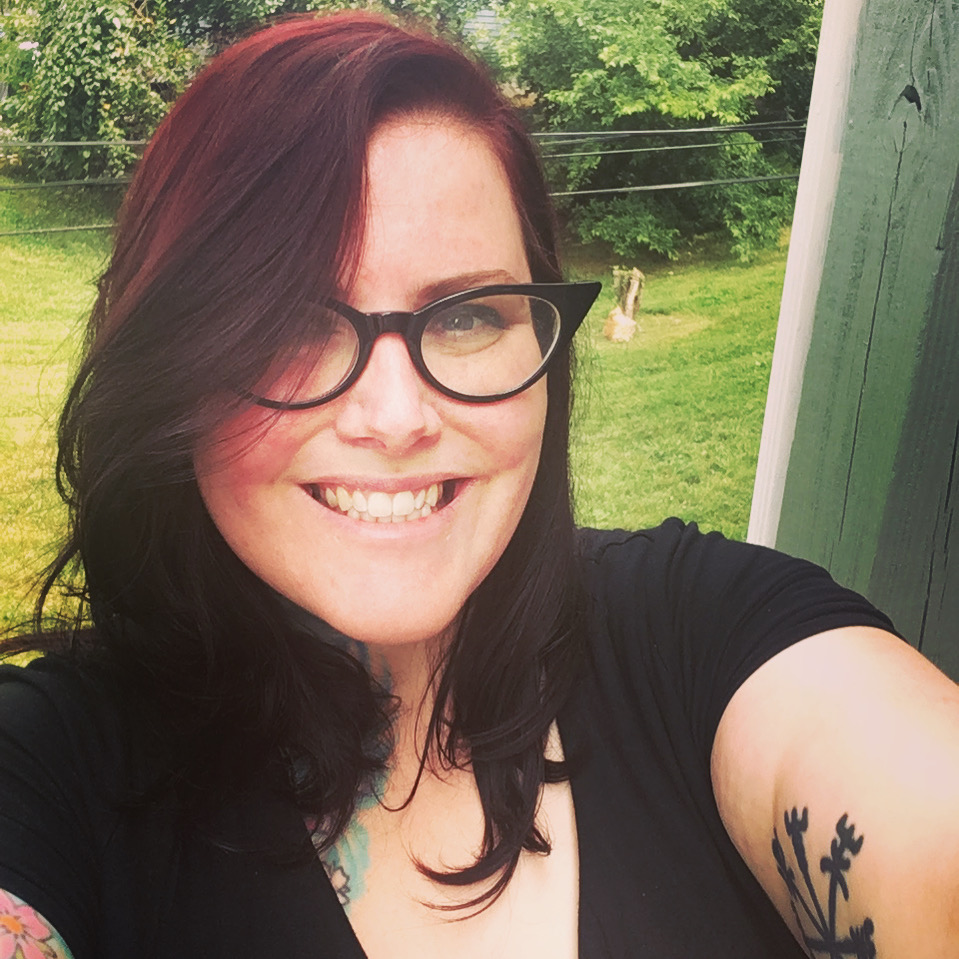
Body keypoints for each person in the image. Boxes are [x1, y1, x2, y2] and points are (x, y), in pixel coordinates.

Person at [1, 11, 957, 959]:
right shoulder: (49, 770)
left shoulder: (701, 631)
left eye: (466, 318)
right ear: (171, 362)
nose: (396, 417)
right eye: (286, 322)